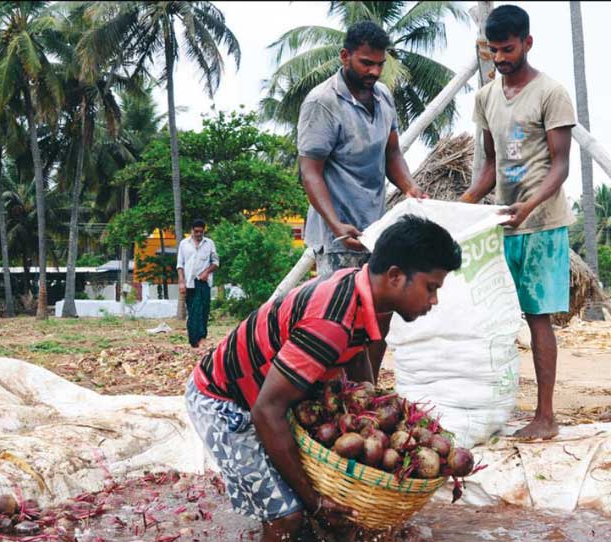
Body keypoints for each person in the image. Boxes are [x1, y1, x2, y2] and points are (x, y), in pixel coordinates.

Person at [184, 215, 462, 542]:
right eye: (431, 288)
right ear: (395, 276)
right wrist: (314, 502)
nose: (434, 300)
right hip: (223, 402)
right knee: (288, 518)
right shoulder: (330, 321)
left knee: (326, 514)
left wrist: (375, 417)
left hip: (266, 394)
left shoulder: (362, 292)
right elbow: (265, 411)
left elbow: (357, 360)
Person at [459, 5, 577, 440]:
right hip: (501, 223)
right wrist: (467, 201)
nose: (500, 58)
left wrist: (528, 206)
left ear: (527, 43)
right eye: (493, 51)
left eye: (507, 49)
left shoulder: (551, 93)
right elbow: (490, 165)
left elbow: (560, 166)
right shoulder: (486, 97)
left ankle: (545, 416)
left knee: (537, 318)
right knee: (494, 320)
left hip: (542, 224)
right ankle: (494, 407)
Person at [297, 20, 428, 383]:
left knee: (379, 318)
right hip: (339, 233)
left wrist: (410, 188)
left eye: (378, 65)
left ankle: (365, 392)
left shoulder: (384, 96)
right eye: (365, 63)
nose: (372, 71)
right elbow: (311, 172)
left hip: (376, 229)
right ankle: (336, 396)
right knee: (340, 322)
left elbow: (392, 153)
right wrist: (336, 224)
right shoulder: (323, 103)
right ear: (345, 56)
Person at [177, 219, 219, 348]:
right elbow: (180, 265)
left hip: (203, 282)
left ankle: (201, 338)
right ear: (192, 231)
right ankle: (193, 340)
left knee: (203, 310)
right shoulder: (184, 244)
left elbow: (216, 262)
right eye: (196, 231)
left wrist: (207, 272)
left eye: (201, 231)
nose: (198, 234)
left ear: (204, 231)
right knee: (193, 311)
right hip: (189, 282)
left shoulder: (209, 243)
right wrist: (181, 282)